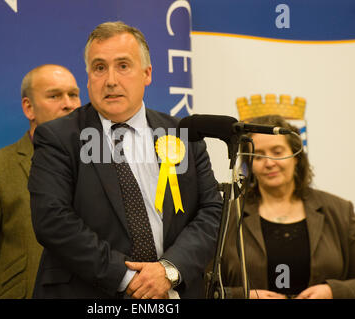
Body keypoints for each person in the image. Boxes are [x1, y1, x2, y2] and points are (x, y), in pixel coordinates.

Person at [28, 21, 222, 299]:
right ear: (88, 77)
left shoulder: (183, 135)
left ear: (147, 74)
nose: (110, 80)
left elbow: (211, 212)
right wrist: (129, 278)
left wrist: (169, 270)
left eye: (123, 66)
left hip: (172, 293)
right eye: (99, 68)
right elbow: (53, 220)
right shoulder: (58, 137)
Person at [0, 64, 82, 298]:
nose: (69, 104)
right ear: (29, 107)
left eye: (73, 94)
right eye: (54, 95)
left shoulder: (96, 168)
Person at [215, 115, 355, 299]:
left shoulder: (340, 211)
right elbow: (207, 287)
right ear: (249, 164)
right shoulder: (229, 214)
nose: (269, 163)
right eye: (258, 156)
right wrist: (243, 296)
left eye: (277, 152)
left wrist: (332, 292)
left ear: (296, 157)